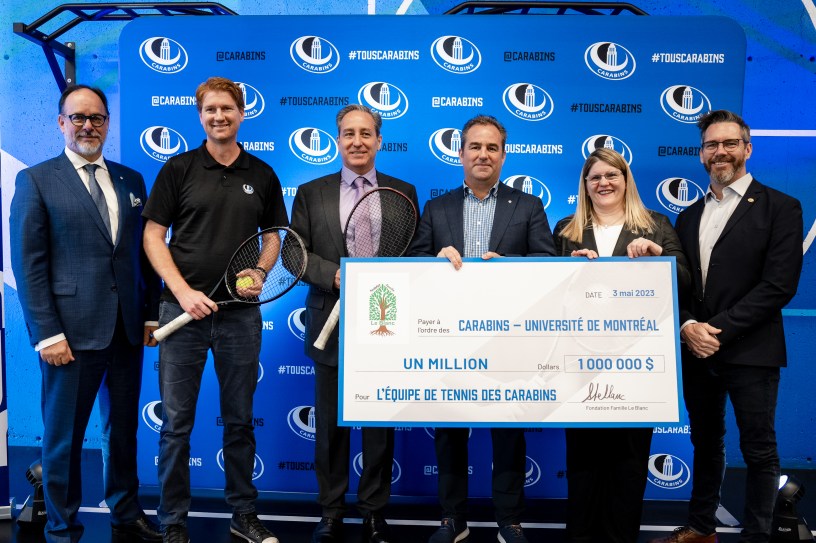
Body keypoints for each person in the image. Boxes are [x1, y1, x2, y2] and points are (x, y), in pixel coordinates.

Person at [9, 84, 162, 543]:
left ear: (107, 123)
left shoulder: (131, 180)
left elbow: (143, 255)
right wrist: (46, 333)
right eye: (78, 117)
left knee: (123, 431)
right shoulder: (36, 180)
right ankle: (62, 527)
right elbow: (29, 265)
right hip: (68, 336)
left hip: (127, 330)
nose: (88, 126)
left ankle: (125, 512)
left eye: (96, 118)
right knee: (64, 438)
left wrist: (150, 315)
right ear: (61, 123)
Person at [142, 77, 288, 543]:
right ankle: (173, 522)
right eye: (210, 110)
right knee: (176, 425)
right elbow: (152, 236)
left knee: (240, 420)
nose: (219, 116)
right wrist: (182, 292)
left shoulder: (262, 173)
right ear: (200, 115)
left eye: (227, 108)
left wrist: (260, 271)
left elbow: (273, 237)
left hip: (239, 316)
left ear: (242, 113)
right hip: (181, 314)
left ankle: (244, 515)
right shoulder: (178, 169)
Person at [648, 110, 803, 543]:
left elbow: (778, 286)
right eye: (712, 145)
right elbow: (681, 284)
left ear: (747, 149)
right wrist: (687, 326)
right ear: (701, 155)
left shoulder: (781, 208)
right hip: (697, 351)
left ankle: (756, 537)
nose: (721, 151)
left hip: (751, 350)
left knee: (759, 450)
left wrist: (712, 330)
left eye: (730, 143)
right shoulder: (688, 216)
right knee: (705, 443)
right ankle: (702, 528)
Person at [409, 114, 555, 543]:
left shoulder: (528, 206)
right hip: (449, 340)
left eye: (492, 147)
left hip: (508, 340)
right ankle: (452, 519)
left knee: (508, 432)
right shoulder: (437, 208)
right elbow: (412, 265)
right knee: (449, 429)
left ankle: (509, 520)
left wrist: (511, 267)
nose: (483, 154)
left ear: (504, 156)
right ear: (461, 153)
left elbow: (548, 263)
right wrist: (434, 260)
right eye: (475, 146)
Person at [289, 104, 418, 543]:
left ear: (379, 140)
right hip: (330, 321)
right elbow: (294, 253)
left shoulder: (403, 191)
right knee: (329, 426)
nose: (357, 141)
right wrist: (336, 275)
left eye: (366, 133)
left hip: (384, 320)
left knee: (379, 424)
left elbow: (412, 254)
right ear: (338, 139)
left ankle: (374, 512)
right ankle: (330, 511)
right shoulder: (311, 192)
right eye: (349, 133)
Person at [553, 148, 691, 543]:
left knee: (628, 464)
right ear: (585, 185)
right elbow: (546, 293)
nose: (604, 183)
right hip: (581, 364)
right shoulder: (566, 230)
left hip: (638, 363)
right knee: (583, 463)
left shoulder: (656, 225)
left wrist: (659, 255)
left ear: (626, 180)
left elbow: (685, 282)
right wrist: (568, 272)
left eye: (612, 175)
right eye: (595, 177)